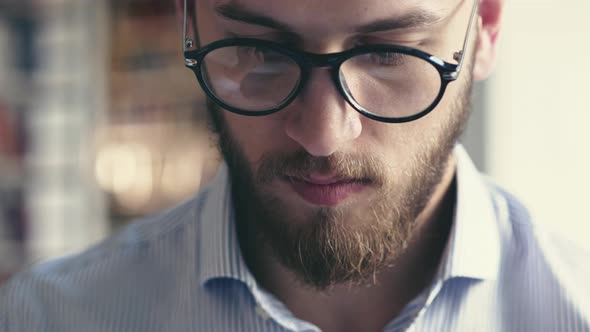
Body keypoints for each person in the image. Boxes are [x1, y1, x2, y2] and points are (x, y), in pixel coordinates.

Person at [1, 0, 589, 331]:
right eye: (259, 51)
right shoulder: (46, 319)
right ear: (188, 22)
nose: (322, 135)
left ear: (484, 27)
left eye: (388, 52)